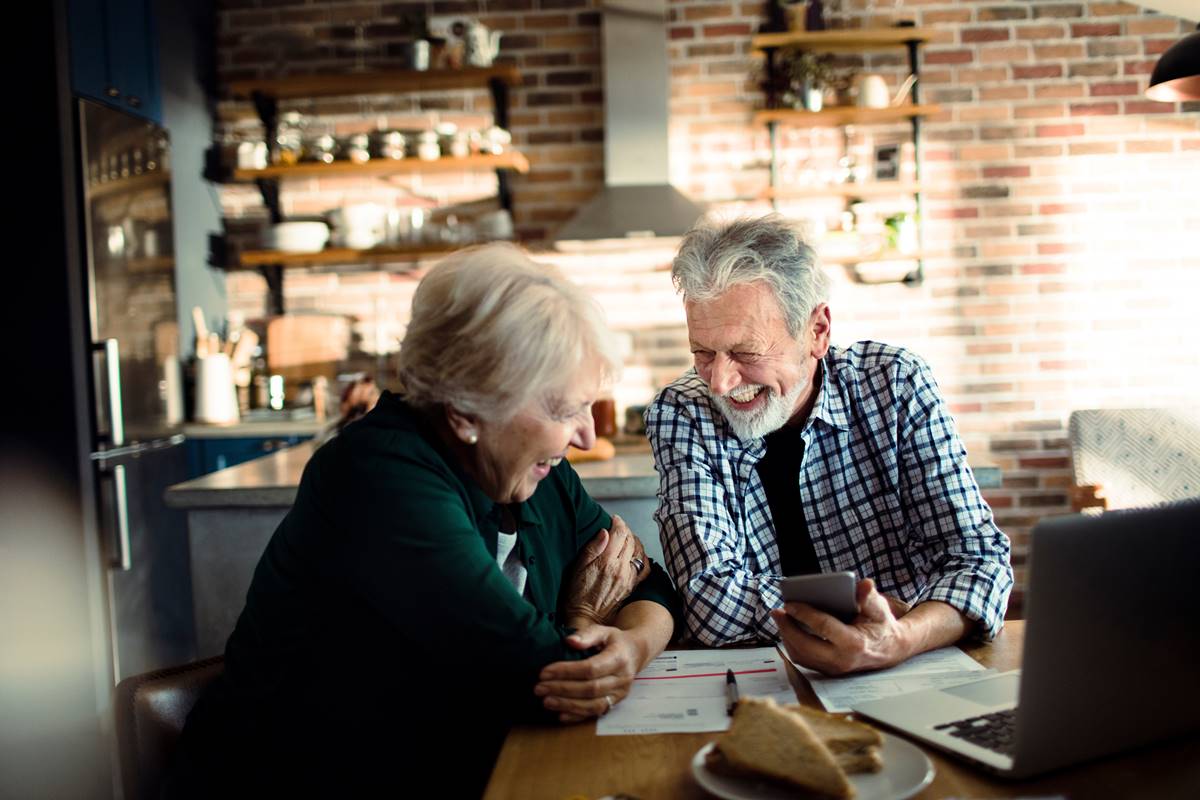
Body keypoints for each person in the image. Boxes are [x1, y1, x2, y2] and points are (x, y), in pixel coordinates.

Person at [167, 244, 680, 797]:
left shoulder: (536, 470)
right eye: (563, 409)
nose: (586, 436)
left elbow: (647, 581)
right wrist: (583, 618)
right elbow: (540, 680)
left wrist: (632, 647)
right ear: (466, 410)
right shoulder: (378, 477)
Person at [646, 214, 1012, 677]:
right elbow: (709, 603)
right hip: (768, 681)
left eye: (746, 353)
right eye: (702, 352)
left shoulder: (895, 384)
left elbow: (980, 562)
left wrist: (901, 638)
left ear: (817, 331)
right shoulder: (681, 412)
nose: (719, 381)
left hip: (914, 667)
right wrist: (865, 616)